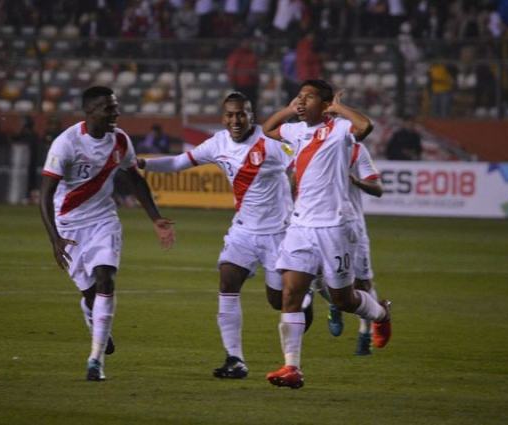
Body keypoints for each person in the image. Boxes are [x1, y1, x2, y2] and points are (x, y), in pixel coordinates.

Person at [137, 92, 313, 379]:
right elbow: (179, 162)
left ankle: (305, 298)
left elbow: (303, 164)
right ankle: (235, 359)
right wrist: (144, 164)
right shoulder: (217, 143)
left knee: (276, 301)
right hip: (243, 230)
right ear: (223, 117)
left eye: (241, 114)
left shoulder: (272, 142)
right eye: (230, 115)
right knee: (227, 280)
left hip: (278, 234)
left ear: (251, 116)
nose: (235, 120)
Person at [39, 86, 175, 382]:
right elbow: (45, 194)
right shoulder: (66, 144)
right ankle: (94, 318)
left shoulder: (120, 140)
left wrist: (156, 219)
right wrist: (54, 239)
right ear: (90, 112)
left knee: (106, 279)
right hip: (69, 226)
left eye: (116, 106)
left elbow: (135, 180)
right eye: (108, 108)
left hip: (103, 220)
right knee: (90, 294)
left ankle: (95, 359)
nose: (115, 112)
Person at [262, 80, 392, 389]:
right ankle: (291, 367)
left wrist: (337, 106)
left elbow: (366, 126)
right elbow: (268, 130)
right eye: (300, 95)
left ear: (324, 104)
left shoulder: (340, 129)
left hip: (334, 227)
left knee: (343, 299)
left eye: (309, 97)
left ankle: (381, 315)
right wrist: (287, 109)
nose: (302, 101)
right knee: (291, 294)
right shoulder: (295, 131)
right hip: (301, 226)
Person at [318, 141, 384, 356]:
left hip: (352, 227)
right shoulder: (309, 143)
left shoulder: (357, 150)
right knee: (312, 277)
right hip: (316, 224)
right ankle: (336, 304)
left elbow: (377, 189)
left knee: (363, 283)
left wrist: (356, 181)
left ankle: (365, 334)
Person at [226, 40, 260, 115]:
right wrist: (233, 81)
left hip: (251, 84)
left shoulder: (252, 55)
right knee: (240, 104)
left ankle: (252, 120)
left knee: (252, 104)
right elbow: (231, 68)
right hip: (240, 84)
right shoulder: (236, 55)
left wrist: (256, 80)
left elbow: (255, 68)